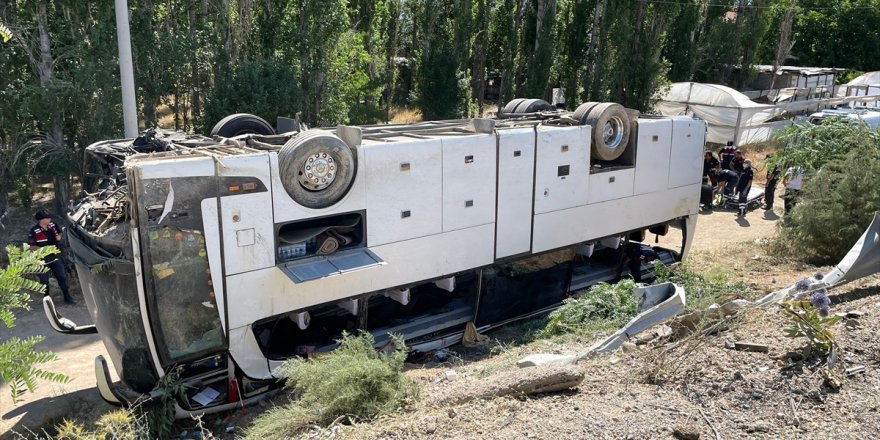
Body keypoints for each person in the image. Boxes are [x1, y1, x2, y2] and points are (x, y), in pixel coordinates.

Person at [27, 210, 76, 305]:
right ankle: (47, 301)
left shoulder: (53, 225)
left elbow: (60, 232)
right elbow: (32, 247)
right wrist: (46, 250)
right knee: (44, 281)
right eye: (47, 218)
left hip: (55, 257)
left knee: (62, 277)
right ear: (41, 220)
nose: (50, 219)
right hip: (41, 260)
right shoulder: (34, 231)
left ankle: (67, 297)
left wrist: (59, 236)